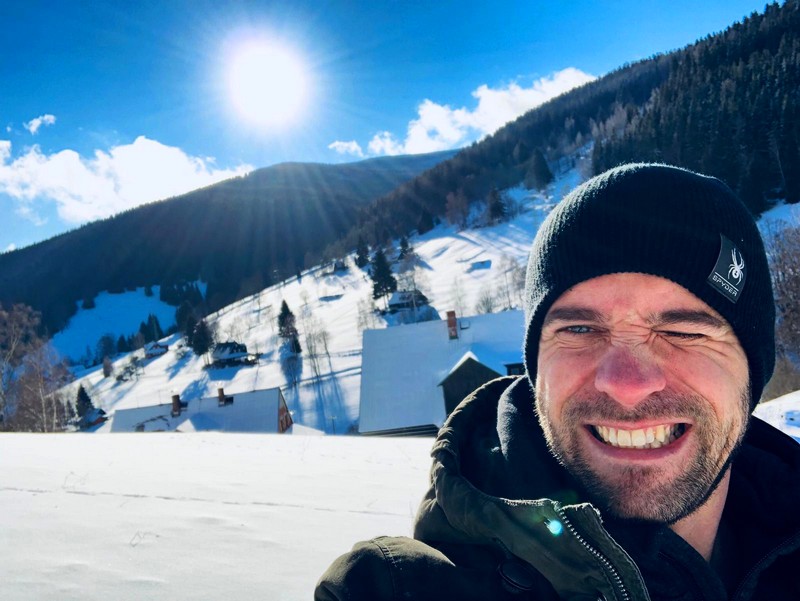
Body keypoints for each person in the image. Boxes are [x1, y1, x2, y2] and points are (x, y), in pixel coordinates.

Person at [315, 164, 800, 600]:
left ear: (751, 369)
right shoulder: (396, 587)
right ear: (536, 368)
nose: (627, 384)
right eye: (580, 330)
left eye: (683, 332)